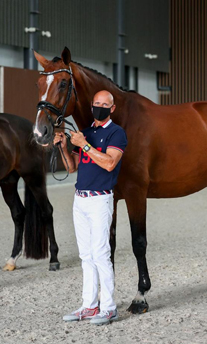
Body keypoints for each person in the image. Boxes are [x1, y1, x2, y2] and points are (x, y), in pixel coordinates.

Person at [55, 90, 127, 325]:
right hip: (80, 199)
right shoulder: (85, 132)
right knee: (85, 256)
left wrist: (83, 145)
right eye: (96, 103)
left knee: (101, 254)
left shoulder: (117, 133)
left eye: (104, 104)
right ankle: (89, 305)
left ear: (112, 109)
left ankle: (108, 307)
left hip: (100, 199)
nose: (99, 107)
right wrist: (64, 147)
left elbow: (109, 163)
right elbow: (72, 167)